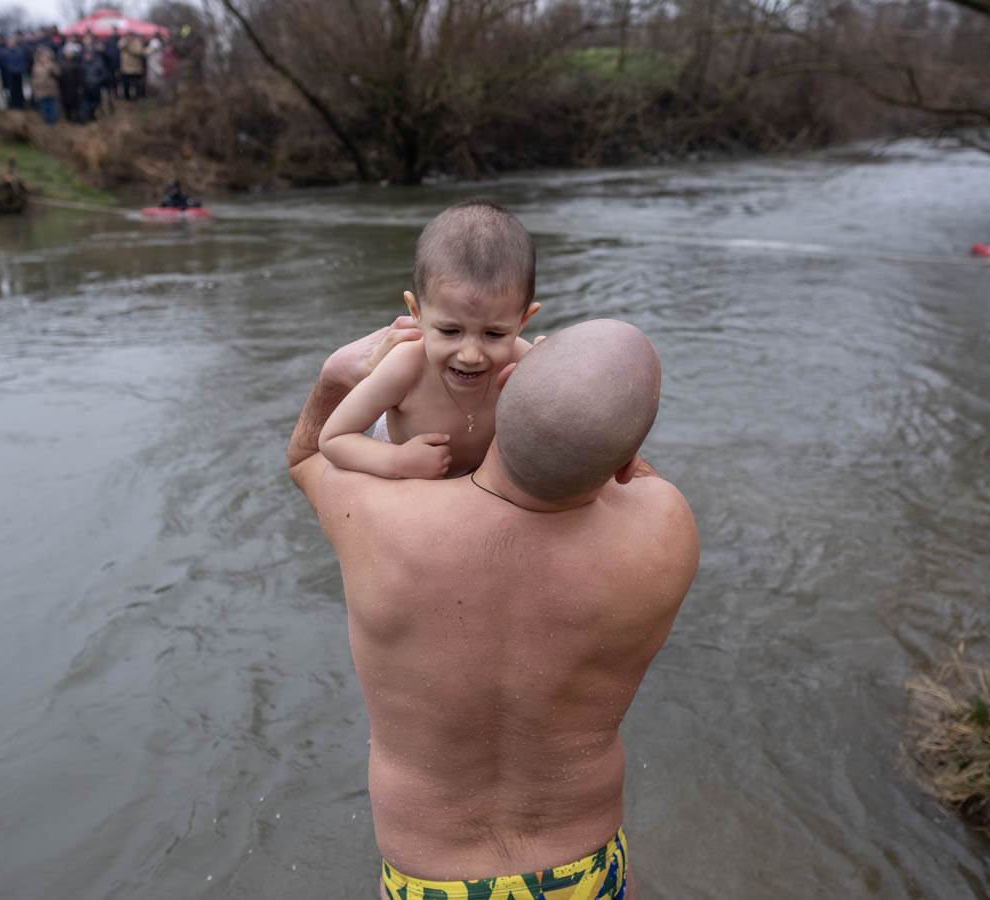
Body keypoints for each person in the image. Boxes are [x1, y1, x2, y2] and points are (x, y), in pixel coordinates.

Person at [288, 317, 699, 899]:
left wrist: (335, 377)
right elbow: (623, 465)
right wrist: (596, 419)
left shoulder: (383, 521)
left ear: (504, 392)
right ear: (627, 457)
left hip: (428, 879)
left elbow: (307, 455)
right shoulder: (667, 528)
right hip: (584, 871)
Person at [320, 201, 541, 479]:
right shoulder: (406, 367)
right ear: (416, 313)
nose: (471, 355)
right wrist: (397, 460)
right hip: (410, 475)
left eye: (494, 334)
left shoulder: (525, 363)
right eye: (450, 331)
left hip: (482, 484)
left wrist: (555, 377)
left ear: (523, 320)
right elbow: (333, 438)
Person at [31, 45, 59, 125]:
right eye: (42, 56)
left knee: (52, 106)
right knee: (44, 106)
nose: (43, 58)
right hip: (41, 90)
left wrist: (52, 69)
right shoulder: (36, 66)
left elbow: (58, 73)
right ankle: (46, 121)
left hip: (51, 89)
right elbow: (34, 77)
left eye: (45, 56)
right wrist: (34, 87)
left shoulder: (52, 64)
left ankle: (53, 122)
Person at [120, 32, 145, 100]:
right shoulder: (124, 41)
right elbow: (120, 46)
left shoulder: (137, 42)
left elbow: (139, 52)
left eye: (130, 36)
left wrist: (130, 48)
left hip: (136, 67)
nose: (129, 37)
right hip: (126, 67)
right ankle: (127, 97)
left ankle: (138, 97)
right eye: (128, 36)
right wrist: (126, 42)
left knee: (137, 84)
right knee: (126, 84)